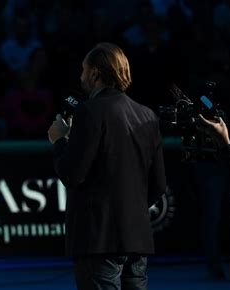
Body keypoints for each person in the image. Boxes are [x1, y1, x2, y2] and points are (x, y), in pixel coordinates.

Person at [47, 42, 166, 290]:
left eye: (83, 70)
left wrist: (59, 141)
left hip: (98, 241)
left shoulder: (89, 112)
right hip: (136, 239)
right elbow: (159, 185)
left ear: (95, 73)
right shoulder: (148, 115)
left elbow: (72, 174)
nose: (80, 76)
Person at [198, 114, 230, 289]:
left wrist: (225, 142)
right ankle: (214, 264)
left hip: (228, 153)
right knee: (213, 216)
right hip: (214, 164)